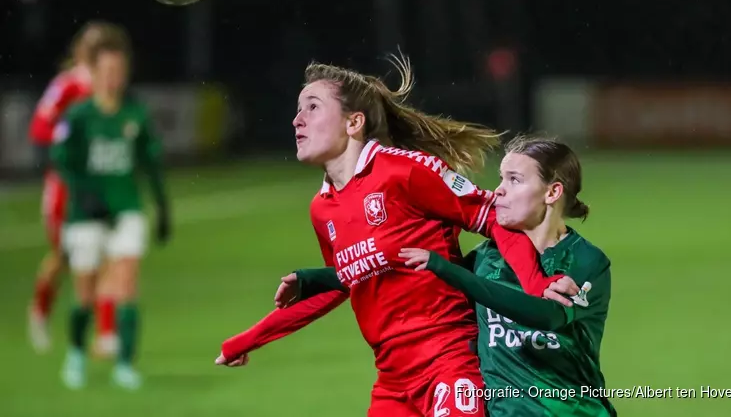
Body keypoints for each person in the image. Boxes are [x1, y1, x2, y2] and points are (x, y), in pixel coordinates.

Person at [216, 56, 578, 416]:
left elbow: (494, 218)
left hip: (448, 364)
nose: (297, 120)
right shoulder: (322, 208)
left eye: (312, 107)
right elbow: (344, 282)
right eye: (298, 109)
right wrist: (247, 340)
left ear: (354, 122)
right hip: (392, 382)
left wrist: (536, 284)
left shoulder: (403, 171)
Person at [398, 135, 616, 415]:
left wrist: (448, 269)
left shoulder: (586, 261)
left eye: (514, 180)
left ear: (552, 192)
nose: (498, 191)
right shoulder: (486, 257)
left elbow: (547, 316)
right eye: (501, 178)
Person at [50, 24, 171, 390]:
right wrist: (84, 195)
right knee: (85, 291)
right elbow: (62, 160)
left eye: (119, 71)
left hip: (126, 210)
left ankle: (125, 364)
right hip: (86, 216)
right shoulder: (79, 116)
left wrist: (163, 208)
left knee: (127, 284)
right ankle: (75, 356)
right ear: (95, 74)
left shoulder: (135, 114)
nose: (113, 78)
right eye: (107, 72)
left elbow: (151, 164)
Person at [28, 21, 122, 357]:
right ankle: (39, 312)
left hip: (102, 187)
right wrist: (69, 139)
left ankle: (107, 334)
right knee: (64, 258)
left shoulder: (109, 85)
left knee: (109, 257)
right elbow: (40, 125)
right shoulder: (67, 85)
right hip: (66, 190)